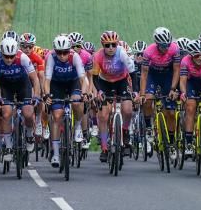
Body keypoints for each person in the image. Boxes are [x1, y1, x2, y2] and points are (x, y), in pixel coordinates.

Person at [43, 35, 88, 168]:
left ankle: (78, 126)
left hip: (73, 82)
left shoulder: (75, 56)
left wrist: (84, 93)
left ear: (70, 50)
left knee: (76, 102)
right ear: (55, 51)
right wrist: (46, 95)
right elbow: (47, 81)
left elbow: (83, 79)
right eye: (59, 53)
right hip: (57, 85)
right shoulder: (50, 57)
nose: (62, 56)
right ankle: (56, 154)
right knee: (57, 116)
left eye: (65, 52)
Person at [0, 38, 40, 161]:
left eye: (11, 56)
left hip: (22, 85)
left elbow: (34, 79)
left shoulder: (23, 57)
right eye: (6, 56)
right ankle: (8, 146)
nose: (9, 59)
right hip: (5, 86)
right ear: (1, 53)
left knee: (28, 113)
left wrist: (36, 96)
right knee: (6, 113)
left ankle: (29, 135)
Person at [92, 31, 135, 162]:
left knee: (127, 110)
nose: (111, 48)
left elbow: (133, 74)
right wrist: (99, 91)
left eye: (113, 45)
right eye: (107, 45)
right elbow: (94, 77)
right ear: (103, 46)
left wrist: (136, 92)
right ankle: (104, 148)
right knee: (103, 116)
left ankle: (125, 130)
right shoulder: (98, 56)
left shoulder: (122, 53)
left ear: (117, 44)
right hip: (105, 83)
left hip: (122, 81)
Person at [136, 27, 181, 155]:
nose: (165, 48)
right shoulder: (148, 52)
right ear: (156, 44)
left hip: (168, 75)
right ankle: (149, 127)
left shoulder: (174, 49)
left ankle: (171, 143)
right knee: (147, 100)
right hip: (152, 75)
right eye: (162, 46)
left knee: (171, 113)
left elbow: (177, 70)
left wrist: (173, 89)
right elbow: (144, 74)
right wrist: (143, 94)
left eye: (167, 45)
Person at [69, 32, 93, 150]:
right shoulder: (63, 54)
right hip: (66, 80)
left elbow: (89, 77)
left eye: (78, 46)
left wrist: (89, 92)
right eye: (72, 46)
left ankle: (83, 131)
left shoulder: (86, 56)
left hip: (81, 80)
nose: (75, 49)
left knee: (82, 103)